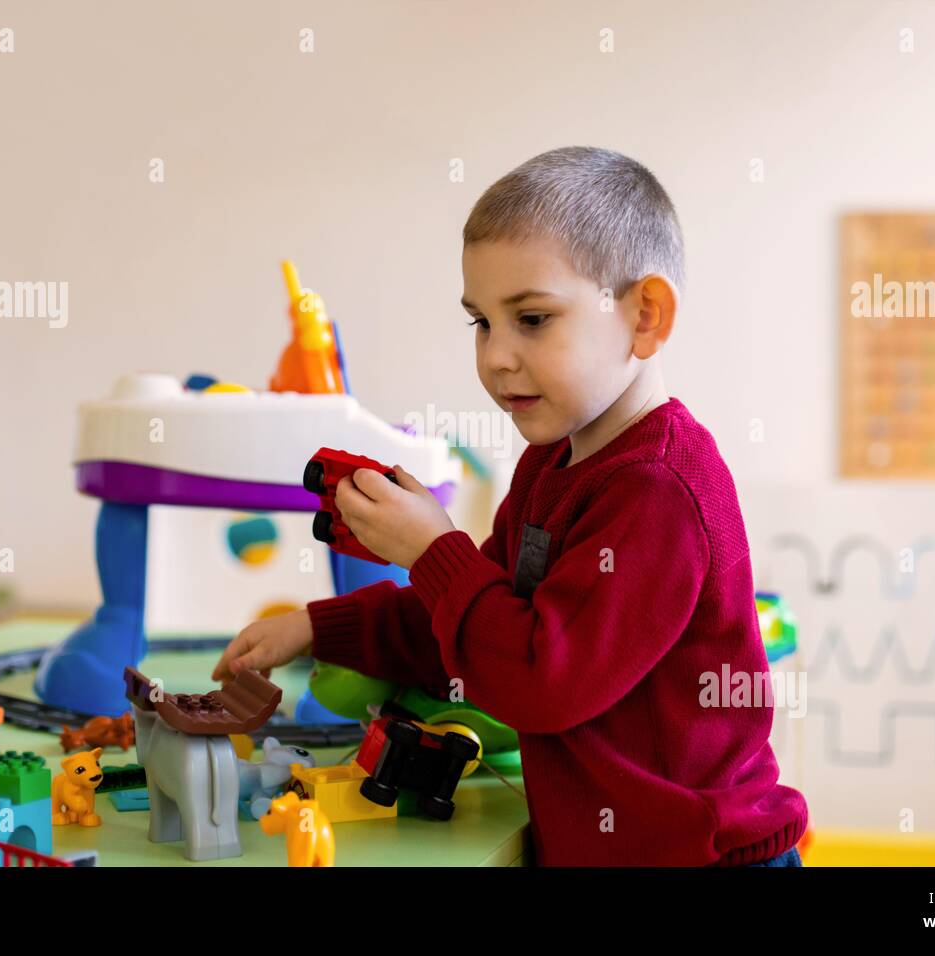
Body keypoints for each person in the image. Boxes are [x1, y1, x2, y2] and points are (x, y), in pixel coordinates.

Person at [215, 146, 807, 866]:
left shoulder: (657, 489)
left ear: (645, 317)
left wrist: (432, 553)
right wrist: (318, 626)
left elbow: (541, 680)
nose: (495, 356)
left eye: (531, 319)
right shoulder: (550, 462)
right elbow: (479, 622)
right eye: (481, 323)